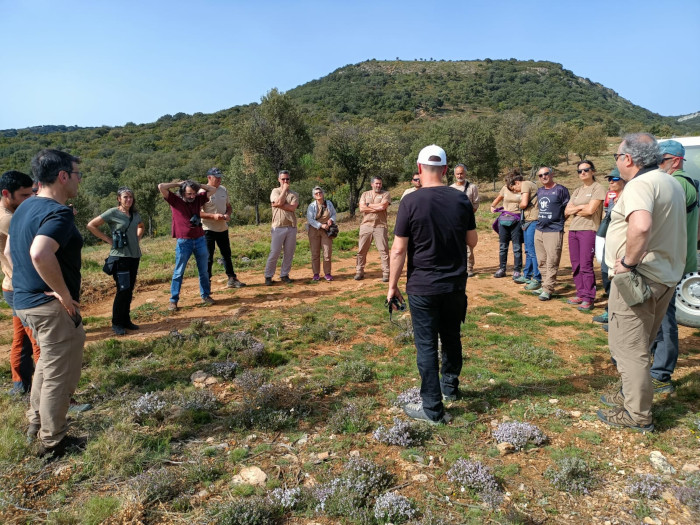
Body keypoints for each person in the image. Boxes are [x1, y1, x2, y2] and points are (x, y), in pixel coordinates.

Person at [598, 133, 686, 432]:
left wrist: (626, 263)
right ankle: (629, 395)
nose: (617, 161)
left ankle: (638, 415)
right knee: (643, 342)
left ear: (628, 159)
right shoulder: (669, 181)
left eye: (617, 156)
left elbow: (641, 225)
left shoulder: (639, 185)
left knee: (627, 348)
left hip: (639, 278)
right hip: (665, 276)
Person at [387, 144, 477, 424]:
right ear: (446, 170)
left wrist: (391, 286)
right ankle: (450, 387)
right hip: (454, 285)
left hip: (423, 285)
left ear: (419, 168)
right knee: (451, 337)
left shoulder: (410, 202)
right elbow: (472, 242)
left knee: (426, 345)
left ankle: (432, 409)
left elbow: (398, 250)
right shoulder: (460, 199)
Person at [9, 149, 86, 457]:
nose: (79, 180)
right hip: (49, 306)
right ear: (63, 176)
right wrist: (65, 296)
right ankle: (52, 443)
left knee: (46, 364)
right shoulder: (57, 212)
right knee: (58, 371)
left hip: (24, 301)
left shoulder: (25, 207)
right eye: (78, 174)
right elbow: (40, 253)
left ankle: (36, 422)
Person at [648, 140, 699, 395]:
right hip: (668, 259)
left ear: (676, 160)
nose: (657, 164)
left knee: (665, 318)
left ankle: (661, 375)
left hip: (670, 261)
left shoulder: (678, 183)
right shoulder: (679, 183)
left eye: (661, 159)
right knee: (658, 314)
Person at [0, 170, 40, 394]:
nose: (29, 200)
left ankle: (19, 386)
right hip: (22, 287)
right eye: (24, 196)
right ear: (7, 194)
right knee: (39, 341)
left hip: (12, 286)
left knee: (22, 339)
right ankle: (49, 395)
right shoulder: (8, 219)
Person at [87, 187, 145, 335]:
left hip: (134, 256)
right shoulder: (113, 213)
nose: (129, 200)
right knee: (123, 289)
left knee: (129, 290)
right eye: (125, 197)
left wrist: (137, 239)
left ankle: (126, 320)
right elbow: (91, 225)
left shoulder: (135, 214)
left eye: (131, 197)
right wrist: (108, 239)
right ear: (119, 198)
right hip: (120, 257)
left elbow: (141, 226)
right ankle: (117, 323)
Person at [158, 179, 217, 310]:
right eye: (189, 194)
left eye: (193, 193)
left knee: (204, 271)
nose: (191, 196)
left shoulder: (198, 199)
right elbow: (161, 186)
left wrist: (197, 185)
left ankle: (205, 295)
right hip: (184, 241)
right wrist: (178, 184)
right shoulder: (175, 200)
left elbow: (212, 189)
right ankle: (173, 300)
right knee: (179, 272)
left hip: (200, 239)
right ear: (182, 193)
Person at [564, 161, 606, 312]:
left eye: (586, 170)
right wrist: (582, 207)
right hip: (574, 229)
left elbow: (591, 211)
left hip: (588, 230)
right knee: (576, 264)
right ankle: (580, 293)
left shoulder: (598, 188)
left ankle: (589, 297)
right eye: (579, 171)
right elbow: (566, 211)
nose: (582, 173)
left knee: (586, 264)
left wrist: (577, 209)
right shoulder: (577, 190)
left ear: (593, 171)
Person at [200, 167, 246, 289]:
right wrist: (213, 216)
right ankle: (206, 283)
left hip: (222, 228)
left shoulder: (223, 189)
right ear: (209, 178)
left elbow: (229, 207)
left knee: (226, 254)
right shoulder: (202, 192)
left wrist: (227, 215)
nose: (219, 179)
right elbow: (197, 212)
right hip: (207, 229)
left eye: (220, 177)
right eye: (217, 177)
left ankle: (232, 278)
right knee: (208, 257)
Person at [593, 169, 626, 329]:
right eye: (609, 179)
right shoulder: (612, 198)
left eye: (614, 179)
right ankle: (609, 310)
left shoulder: (629, 198)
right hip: (608, 242)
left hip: (621, 245)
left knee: (619, 280)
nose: (611, 182)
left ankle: (617, 318)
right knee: (606, 276)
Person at [532, 167, 570, 301]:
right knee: (541, 261)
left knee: (552, 261)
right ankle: (544, 286)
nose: (543, 177)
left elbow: (568, 209)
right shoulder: (540, 191)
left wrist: (559, 221)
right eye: (540, 175)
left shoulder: (561, 190)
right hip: (539, 229)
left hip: (554, 230)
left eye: (546, 174)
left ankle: (548, 289)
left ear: (552, 174)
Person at [264, 170, 299, 286]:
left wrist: (279, 204)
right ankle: (268, 276)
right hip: (278, 227)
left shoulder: (294, 194)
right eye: (283, 179)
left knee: (289, 253)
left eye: (287, 179)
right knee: (275, 252)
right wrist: (284, 190)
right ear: (279, 179)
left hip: (291, 227)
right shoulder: (275, 191)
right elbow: (277, 201)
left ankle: (284, 274)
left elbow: (292, 208)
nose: (285, 181)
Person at [356, 175, 391, 282]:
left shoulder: (386, 194)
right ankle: (359, 271)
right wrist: (375, 207)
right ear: (372, 184)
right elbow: (362, 208)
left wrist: (368, 205)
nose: (378, 185)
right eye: (376, 183)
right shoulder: (365, 194)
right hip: (366, 225)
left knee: (383, 251)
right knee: (361, 250)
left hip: (380, 226)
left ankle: (386, 273)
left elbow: (382, 207)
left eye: (380, 183)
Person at [490, 170, 523, 279]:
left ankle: (517, 270)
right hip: (504, 220)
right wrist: (492, 206)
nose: (510, 185)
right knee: (503, 246)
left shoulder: (522, 189)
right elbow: (498, 199)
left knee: (517, 246)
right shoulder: (504, 188)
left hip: (517, 220)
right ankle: (502, 269)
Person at [450, 164, 480, 277]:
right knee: (454, 245)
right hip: (454, 221)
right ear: (454, 174)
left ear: (465, 173)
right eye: (457, 173)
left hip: (467, 222)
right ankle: (456, 267)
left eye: (461, 173)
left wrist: (469, 216)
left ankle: (469, 268)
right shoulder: (451, 188)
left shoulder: (472, 187)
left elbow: (476, 204)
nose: (459, 175)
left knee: (468, 246)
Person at [510, 175, 540, 288]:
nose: (515, 191)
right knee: (528, 250)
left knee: (532, 251)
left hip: (532, 220)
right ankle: (527, 275)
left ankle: (537, 278)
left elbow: (523, 203)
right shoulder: (529, 184)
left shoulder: (525, 184)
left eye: (514, 189)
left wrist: (517, 205)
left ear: (517, 183)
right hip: (528, 220)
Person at [306, 186, 337, 281]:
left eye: (320, 192)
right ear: (314, 196)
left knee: (327, 252)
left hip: (326, 230)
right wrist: (320, 225)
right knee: (315, 253)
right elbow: (310, 219)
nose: (318, 194)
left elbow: (334, 214)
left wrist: (331, 220)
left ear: (323, 193)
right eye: (316, 193)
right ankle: (316, 274)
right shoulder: (311, 206)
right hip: (314, 230)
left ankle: (327, 273)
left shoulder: (329, 203)